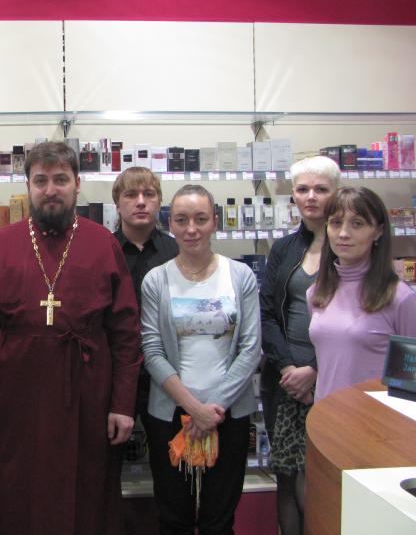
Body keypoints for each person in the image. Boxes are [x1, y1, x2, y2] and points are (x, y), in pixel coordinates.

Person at [0, 140, 141, 535]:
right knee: (20, 494)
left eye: (60, 180)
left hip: (88, 396)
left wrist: (122, 404)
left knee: (87, 494)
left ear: (77, 184)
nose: (50, 190)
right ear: (28, 185)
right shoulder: (1, 244)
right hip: (18, 398)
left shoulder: (103, 243)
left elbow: (126, 333)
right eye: (41, 181)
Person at [141, 184, 261, 535]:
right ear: (170, 224)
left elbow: (251, 348)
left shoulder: (240, 276)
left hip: (228, 414)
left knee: (219, 521)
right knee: (173, 519)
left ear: (215, 222)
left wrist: (212, 408)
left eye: (200, 219)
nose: (191, 228)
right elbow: (152, 351)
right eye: (181, 220)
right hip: (171, 414)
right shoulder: (156, 280)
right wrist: (194, 408)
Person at [259, 155, 339, 535]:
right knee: (288, 480)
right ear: (292, 194)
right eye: (303, 189)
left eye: (321, 189)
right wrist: (290, 368)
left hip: (333, 381)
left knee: (323, 483)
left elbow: (356, 327)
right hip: (285, 382)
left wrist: (315, 372)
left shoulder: (349, 247)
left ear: (336, 193)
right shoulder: (285, 248)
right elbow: (267, 313)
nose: (311, 197)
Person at [308, 186, 416, 401]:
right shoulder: (316, 293)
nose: (343, 233)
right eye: (336, 222)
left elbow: (410, 382)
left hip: (374, 419)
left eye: (357, 224)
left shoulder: (400, 298)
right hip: (325, 416)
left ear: (379, 231)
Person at [112, 166, 178, 437]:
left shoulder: (177, 252)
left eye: (149, 194)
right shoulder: (104, 251)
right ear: (117, 205)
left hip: (168, 375)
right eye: (131, 195)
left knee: (168, 452)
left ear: (159, 201)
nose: (141, 202)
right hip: (116, 374)